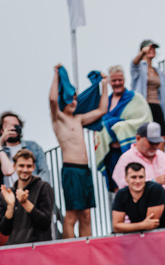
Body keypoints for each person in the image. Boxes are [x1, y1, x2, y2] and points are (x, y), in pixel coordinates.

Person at [50, 64, 107, 238]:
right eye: (70, 98)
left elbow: (102, 110)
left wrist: (104, 84)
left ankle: (85, 246)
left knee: (86, 215)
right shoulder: (59, 119)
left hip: (84, 171)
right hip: (71, 170)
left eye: (76, 98)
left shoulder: (79, 118)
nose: (74, 101)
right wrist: (56, 76)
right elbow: (52, 100)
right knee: (72, 215)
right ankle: (71, 248)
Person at [0, 150, 54, 244]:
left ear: (34, 167)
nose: (25, 170)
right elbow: (4, 230)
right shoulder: (7, 194)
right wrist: (10, 206)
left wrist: (25, 203)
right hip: (15, 250)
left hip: (38, 248)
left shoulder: (44, 187)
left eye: (29, 166)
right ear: (14, 166)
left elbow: (46, 222)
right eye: (21, 166)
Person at [131, 39, 165, 136]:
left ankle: (160, 151)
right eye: (150, 48)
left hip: (158, 106)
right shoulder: (139, 68)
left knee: (162, 134)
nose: (152, 50)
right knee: (146, 136)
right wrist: (142, 52)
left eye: (154, 48)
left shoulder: (158, 72)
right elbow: (134, 64)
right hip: (144, 106)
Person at [112, 122, 165, 191]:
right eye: (151, 142)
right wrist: (153, 183)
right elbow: (124, 188)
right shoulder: (126, 159)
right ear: (138, 138)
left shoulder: (163, 156)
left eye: (157, 143)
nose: (155, 146)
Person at [111, 162, 165, 233]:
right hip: (137, 237)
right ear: (126, 178)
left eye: (141, 177)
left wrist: (128, 227)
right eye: (133, 177)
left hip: (162, 234)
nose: (138, 181)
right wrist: (142, 225)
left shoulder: (155, 189)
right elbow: (116, 227)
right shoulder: (121, 194)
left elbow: (152, 224)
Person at [0, 112, 48, 180]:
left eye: (16, 126)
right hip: (7, 190)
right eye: (8, 126)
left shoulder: (33, 147)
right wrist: (0, 143)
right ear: (1, 130)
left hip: (31, 189)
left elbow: (44, 172)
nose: (12, 128)